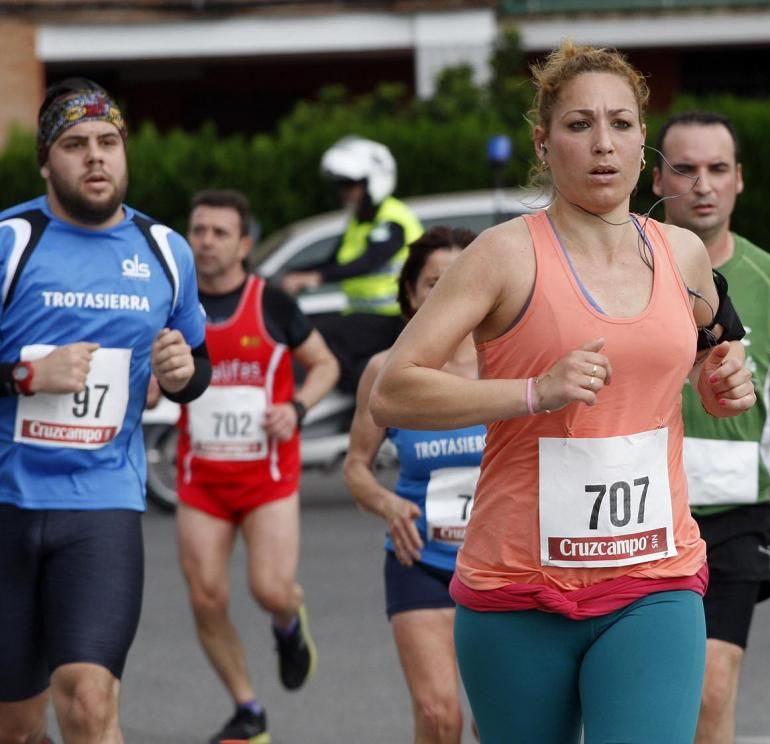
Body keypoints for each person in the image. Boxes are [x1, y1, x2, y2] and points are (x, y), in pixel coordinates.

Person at [369, 42, 756, 742]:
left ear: (645, 143)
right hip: (516, 587)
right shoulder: (504, 255)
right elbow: (394, 391)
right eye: (579, 126)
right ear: (544, 145)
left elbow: (714, 353)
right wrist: (532, 392)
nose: (603, 144)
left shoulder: (682, 254)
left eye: (622, 123)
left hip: (654, 575)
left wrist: (725, 381)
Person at [0, 77, 210, 744]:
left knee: (89, 701)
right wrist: (26, 375)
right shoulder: (10, 243)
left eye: (108, 142)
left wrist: (182, 376)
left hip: (102, 505)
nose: (95, 156)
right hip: (6, 506)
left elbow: (194, 368)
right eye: (75, 144)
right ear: (45, 161)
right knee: (17, 725)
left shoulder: (165, 253)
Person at [652, 110, 770, 744]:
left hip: (734, 510)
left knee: (713, 687)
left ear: (738, 181)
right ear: (657, 179)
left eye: (717, 169)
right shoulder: (620, 266)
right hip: (639, 509)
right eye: (686, 168)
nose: (703, 184)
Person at [174, 189, 338, 743]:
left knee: (270, 588)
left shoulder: (271, 302)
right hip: (202, 481)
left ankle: (288, 624)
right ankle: (248, 708)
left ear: (244, 243)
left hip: (267, 479)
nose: (206, 241)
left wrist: (296, 409)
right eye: (198, 230)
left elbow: (325, 365)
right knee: (205, 597)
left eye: (220, 232)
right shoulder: (176, 302)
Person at [344, 226, 480, 744]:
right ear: (410, 295)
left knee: (494, 724)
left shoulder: (512, 366)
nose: (447, 294)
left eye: (460, 280)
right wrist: (388, 505)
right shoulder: (387, 371)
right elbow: (356, 465)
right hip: (421, 560)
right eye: (433, 283)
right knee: (438, 715)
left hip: (503, 566)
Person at [280, 136, 424, 394]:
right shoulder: (359, 222)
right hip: (364, 315)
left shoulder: (392, 220)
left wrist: (316, 278)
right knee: (318, 333)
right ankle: (366, 396)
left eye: (350, 184)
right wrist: (293, 273)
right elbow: (333, 262)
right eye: (341, 185)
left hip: (394, 317)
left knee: (319, 335)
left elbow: (367, 262)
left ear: (374, 182)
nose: (344, 192)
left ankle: (371, 398)